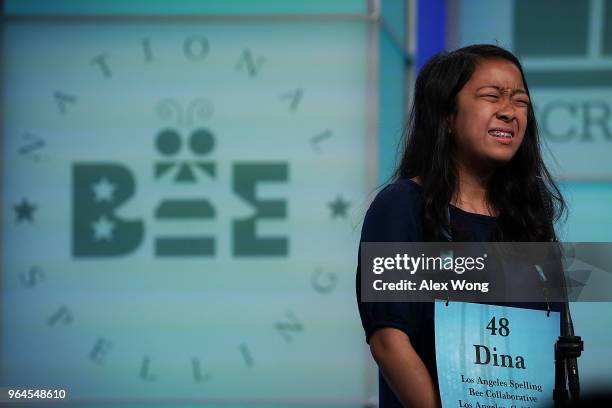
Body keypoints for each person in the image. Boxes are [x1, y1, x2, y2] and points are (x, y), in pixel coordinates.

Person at [355, 44, 566, 407]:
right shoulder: (402, 206)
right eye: (491, 96)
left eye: (520, 101)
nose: (509, 112)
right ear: (447, 117)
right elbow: (389, 341)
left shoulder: (530, 219)